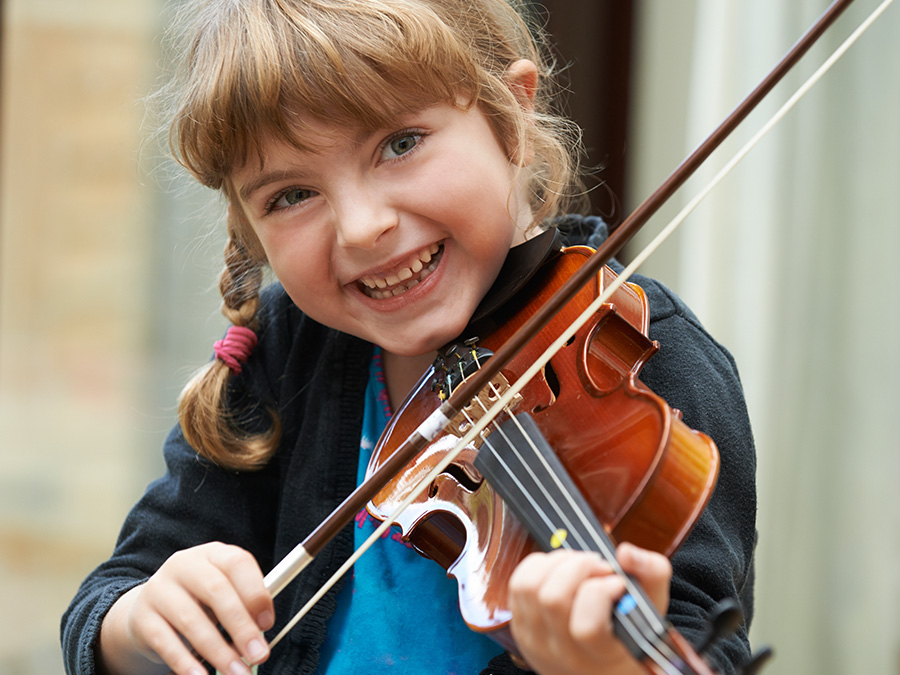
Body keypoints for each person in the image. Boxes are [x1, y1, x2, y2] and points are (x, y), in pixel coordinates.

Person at [61, 1, 757, 674]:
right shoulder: (283, 357)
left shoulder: (642, 357)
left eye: (400, 144)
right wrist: (143, 620)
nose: (363, 226)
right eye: (291, 195)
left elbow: (700, 632)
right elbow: (109, 603)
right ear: (248, 229)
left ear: (512, 115)